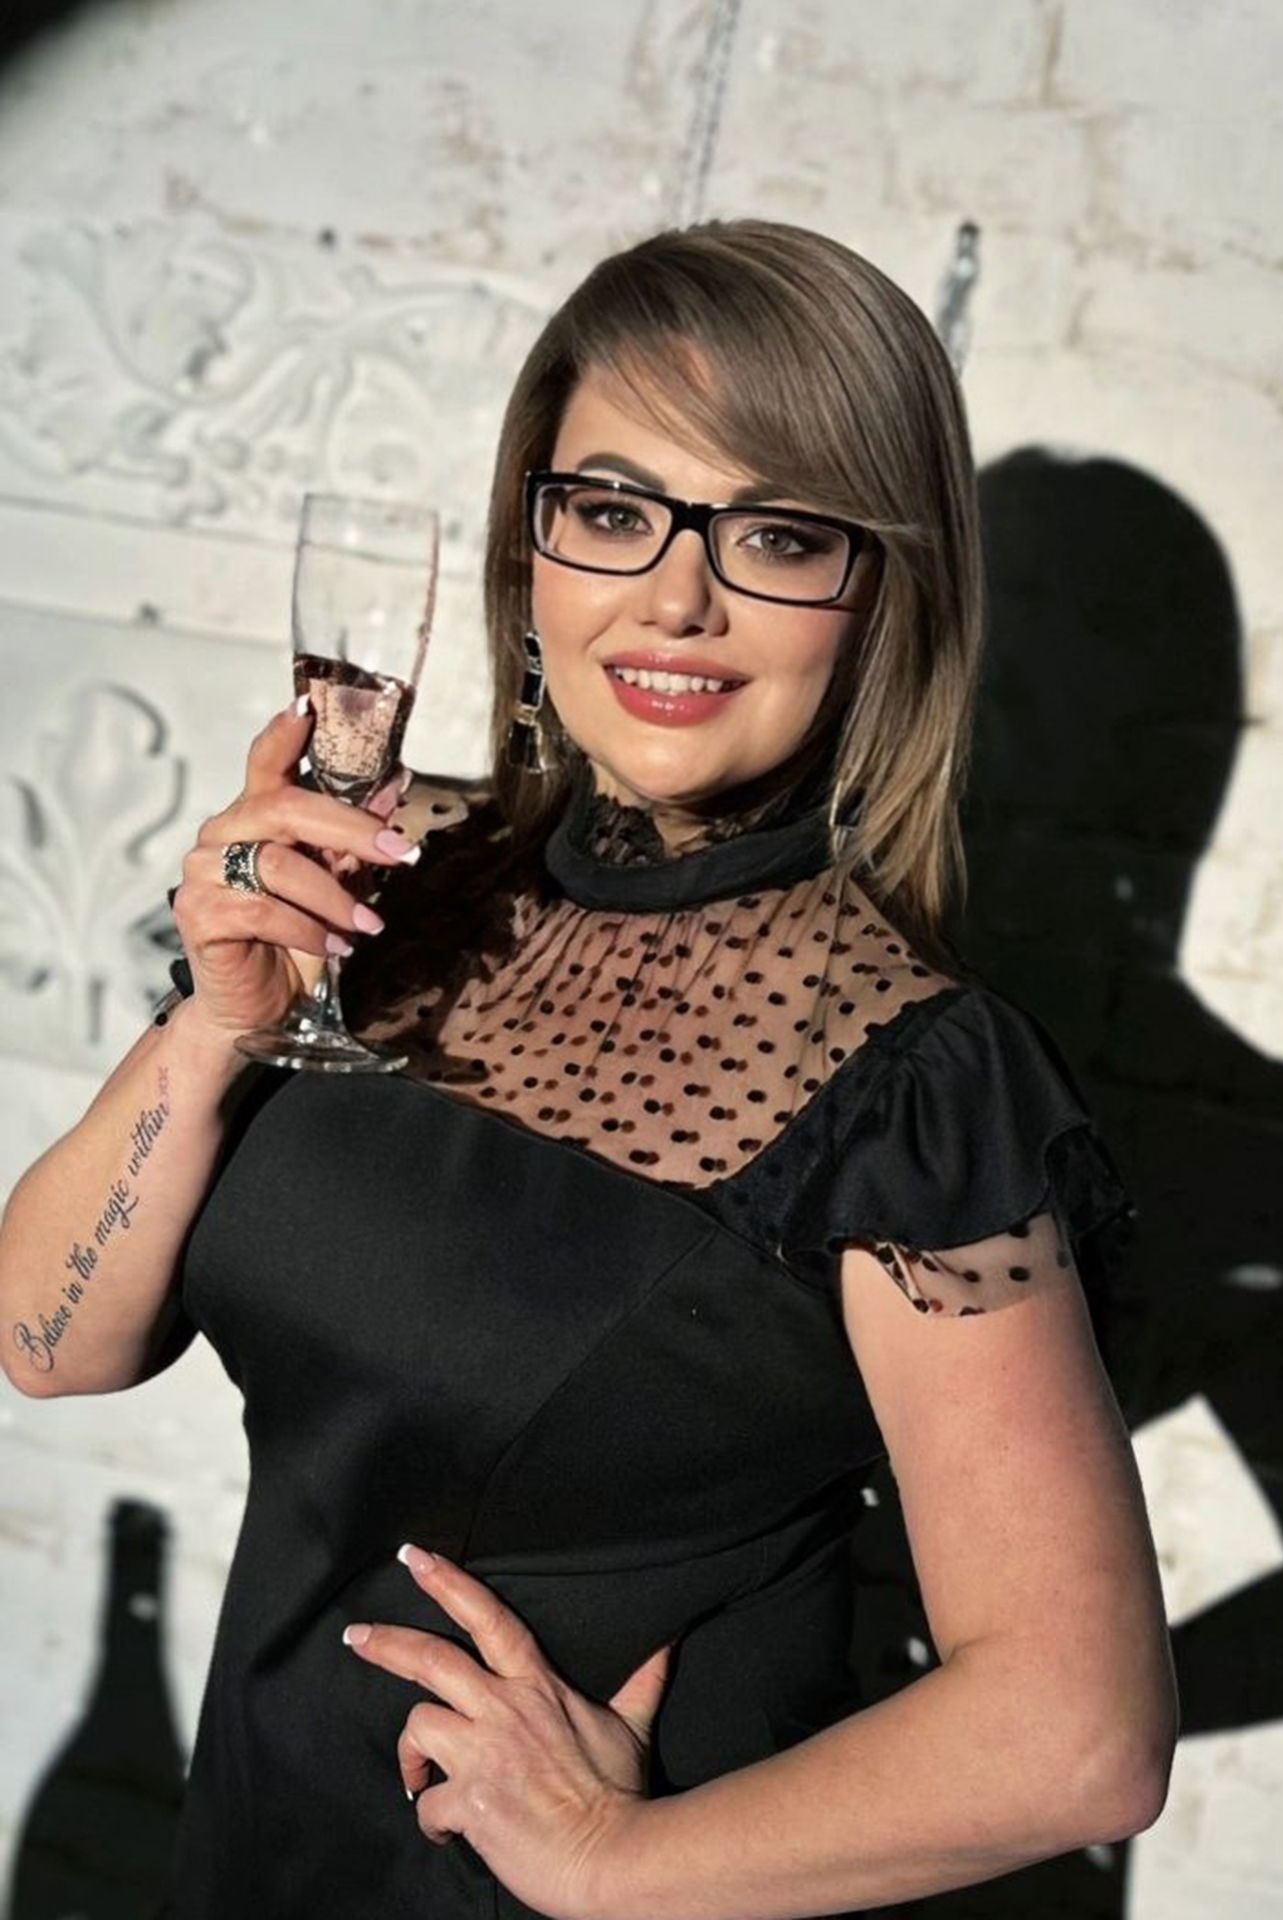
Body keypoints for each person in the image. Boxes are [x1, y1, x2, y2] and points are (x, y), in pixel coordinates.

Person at [0, 218, 1177, 1920]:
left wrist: (621, 1858)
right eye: (615, 512)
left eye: (779, 534)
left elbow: (1080, 1736)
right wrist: (217, 1023)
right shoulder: (395, 878)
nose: (676, 599)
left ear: (881, 599)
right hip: (267, 1837)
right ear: (529, 547)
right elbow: (48, 1341)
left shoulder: (912, 1077)